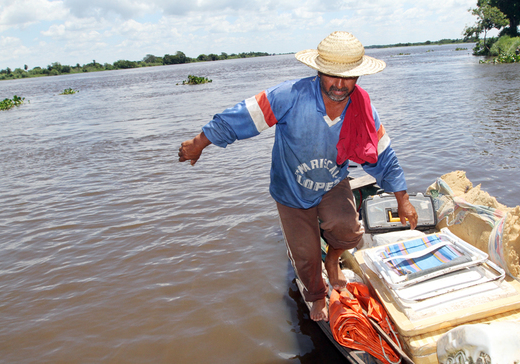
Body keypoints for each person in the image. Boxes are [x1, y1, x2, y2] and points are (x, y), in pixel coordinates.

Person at [178, 31, 418, 322]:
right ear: (318, 71)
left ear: (358, 77)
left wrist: (402, 200)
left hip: (332, 182)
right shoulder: (289, 96)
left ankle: (332, 259)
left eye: (349, 78)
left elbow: (383, 156)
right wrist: (199, 143)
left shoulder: (364, 110)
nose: (340, 85)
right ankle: (316, 295)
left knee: (349, 231)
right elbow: (241, 117)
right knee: (305, 253)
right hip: (291, 188)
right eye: (332, 75)